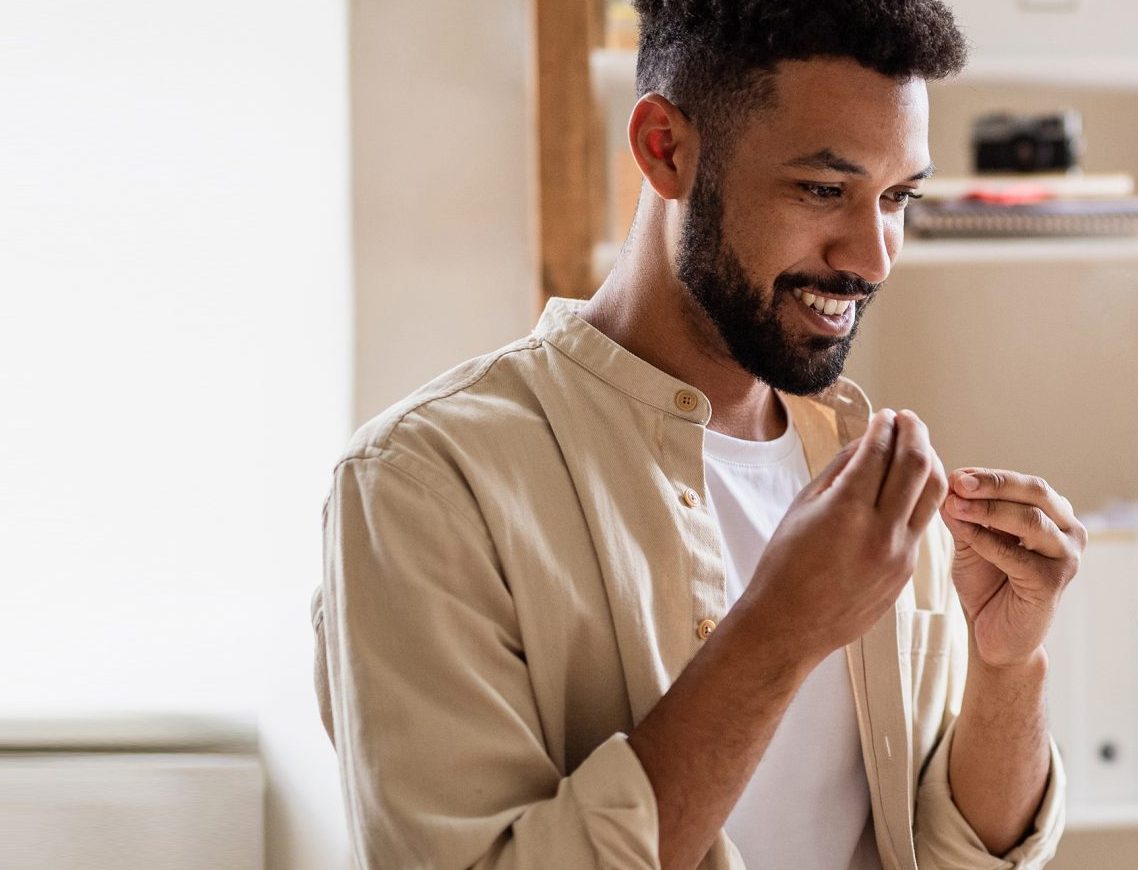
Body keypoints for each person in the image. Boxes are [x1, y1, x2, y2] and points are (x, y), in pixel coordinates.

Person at [311, 2, 1079, 867]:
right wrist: (781, 633)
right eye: (824, 189)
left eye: (898, 197)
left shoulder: (871, 478)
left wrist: (1007, 669)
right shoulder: (424, 483)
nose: (872, 256)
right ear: (664, 149)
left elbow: (957, 854)